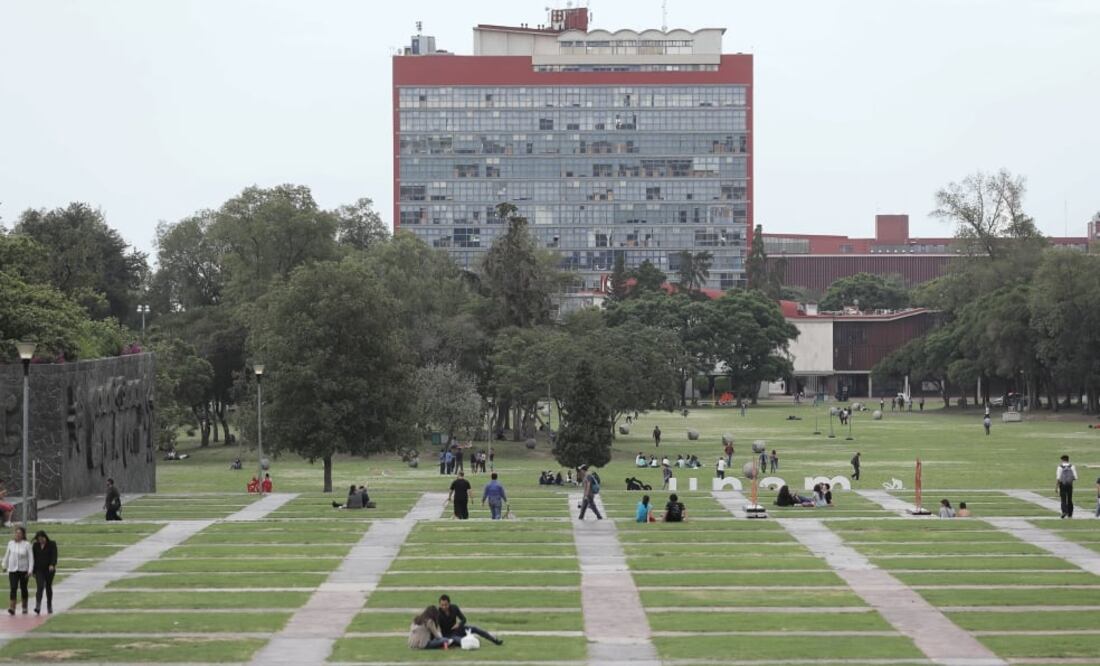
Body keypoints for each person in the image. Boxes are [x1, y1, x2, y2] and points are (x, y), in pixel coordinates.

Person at [437, 594, 503, 646]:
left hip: (458, 629)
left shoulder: (454, 608)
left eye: (446, 605)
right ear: (439, 605)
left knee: (475, 628)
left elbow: (464, 619)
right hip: (449, 635)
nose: (444, 607)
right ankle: (474, 641)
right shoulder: (438, 613)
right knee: (461, 641)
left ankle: (494, 640)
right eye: (442, 605)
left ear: (449, 603)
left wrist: (459, 624)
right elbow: (438, 629)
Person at [3, 527, 32, 615]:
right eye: (16, 533)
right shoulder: (11, 543)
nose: (18, 535)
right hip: (12, 569)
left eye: (20, 533)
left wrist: (30, 570)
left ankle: (24, 607)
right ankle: (12, 607)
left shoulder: (27, 544)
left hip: (24, 570)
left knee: (23, 588)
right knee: (13, 587)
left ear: (23, 535)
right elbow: (7, 555)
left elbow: (31, 558)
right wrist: (4, 565)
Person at [31, 530, 56, 615]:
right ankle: (38, 606)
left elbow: (54, 555)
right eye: (39, 539)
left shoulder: (52, 544)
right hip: (39, 570)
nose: (41, 540)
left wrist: (52, 564)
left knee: (48, 587)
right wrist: (33, 571)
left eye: (42, 538)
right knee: (40, 586)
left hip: (49, 570)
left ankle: (49, 605)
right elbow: (33, 558)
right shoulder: (35, 545)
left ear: (45, 537)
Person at [1056, 455, 1078, 519]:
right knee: (1069, 499)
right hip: (1070, 485)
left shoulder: (1060, 467)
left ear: (1062, 460)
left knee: (1063, 499)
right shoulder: (1072, 466)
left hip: (1062, 485)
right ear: (1068, 459)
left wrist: (1056, 487)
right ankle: (1070, 514)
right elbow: (1075, 477)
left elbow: (1058, 478)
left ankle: (1064, 511)